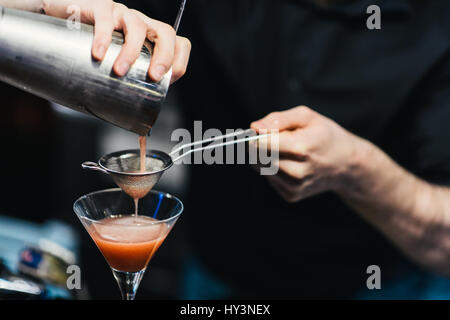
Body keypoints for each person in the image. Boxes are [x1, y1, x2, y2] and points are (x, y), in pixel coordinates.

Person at [6, 0, 450, 299]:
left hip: (379, 285)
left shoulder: (435, 25)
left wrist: (358, 168)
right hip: (216, 279)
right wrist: (46, 9)